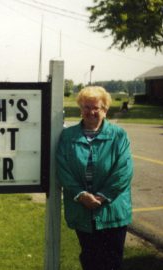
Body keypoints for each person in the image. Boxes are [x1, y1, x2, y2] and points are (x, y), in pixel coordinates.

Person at [56, 86, 134, 270]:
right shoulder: (68, 136)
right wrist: (81, 194)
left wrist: (103, 196)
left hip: (112, 209)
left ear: (105, 110)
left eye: (96, 108)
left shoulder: (118, 135)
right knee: (90, 258)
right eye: (86, 107)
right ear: (80, 109)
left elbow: (124, 170)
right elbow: (63, 169)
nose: (90, 112)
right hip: (81, 208)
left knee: (112, 261)